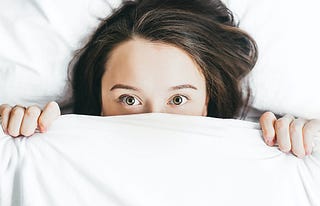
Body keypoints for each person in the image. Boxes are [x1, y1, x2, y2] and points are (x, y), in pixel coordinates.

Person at [0, 0, 319, 158]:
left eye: (178, 99)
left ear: (206, 101)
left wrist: (309, 141)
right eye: (129, 99)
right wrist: (15, 134)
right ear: (99, 102)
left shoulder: (263, 153)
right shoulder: (52, 152)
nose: (154, 121)